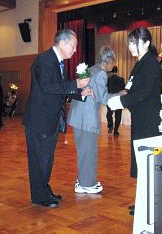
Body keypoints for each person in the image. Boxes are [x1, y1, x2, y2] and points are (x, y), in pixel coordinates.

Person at [22, 29, 92, 209]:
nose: (75, 50)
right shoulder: (44, 60)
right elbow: (48, 86)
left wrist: (80, 93)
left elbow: (61, 89)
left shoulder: (58, 61)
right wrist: (76, 84)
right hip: (39, 119)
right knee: (39, 159)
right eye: (73, 46)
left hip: (49, 119)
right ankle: (39, 196)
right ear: (63, 43)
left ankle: (44, 190)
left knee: (46, 158)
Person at [107, 27, 162, 214]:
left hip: (148, 121)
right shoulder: (140, 63)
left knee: (147, 163)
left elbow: (145, 92)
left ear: (146, 43)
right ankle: (144, 202)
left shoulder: (151, 64)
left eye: (133, 42)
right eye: (129, 42)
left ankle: (150, 205)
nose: (130, 46)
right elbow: (133, 87)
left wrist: (121, 101)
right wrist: (124, 93)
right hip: (140, 119)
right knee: (141, 163)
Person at [68, 46, 116, 194]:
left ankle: (81, 181)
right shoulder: (101, 73)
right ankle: (87, 184)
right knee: (89, 151)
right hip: (86, 118)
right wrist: (121, 96)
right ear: (108, 60)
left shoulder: (91, 69)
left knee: (83, 150)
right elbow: (103, 97)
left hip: (77, 115)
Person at [106, 66, 125, 136]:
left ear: (111, 71)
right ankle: (116, 131)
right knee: (118, 115)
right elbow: (123, 90)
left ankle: (110, 125)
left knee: (109, 113)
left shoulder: (108, 79)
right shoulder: (121, 79)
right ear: (117, 71)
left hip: (110, 99)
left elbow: (106, 89)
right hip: (118, 99)